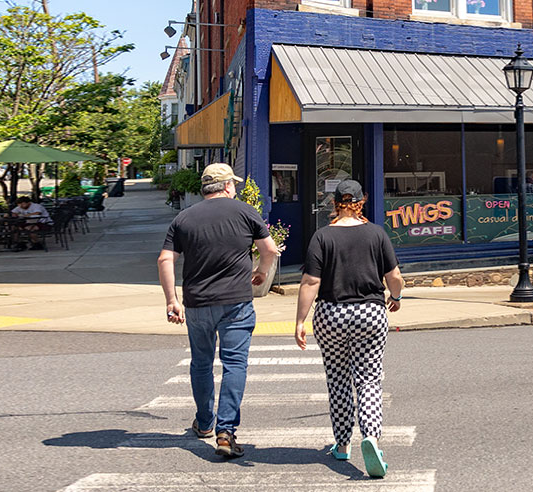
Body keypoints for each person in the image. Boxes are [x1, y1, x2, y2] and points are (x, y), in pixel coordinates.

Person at [157, 163, 278, 459]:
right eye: (233, 184)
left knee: (200, 362)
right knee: (234, 363)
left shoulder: (183, 218)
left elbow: (164, 260)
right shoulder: (244, 212)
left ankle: (204, 422)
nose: (234, 188)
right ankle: (226, 431)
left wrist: (172, 300)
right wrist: (261, 273)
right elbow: (271, 250)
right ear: (226, 186)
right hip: (236, 301)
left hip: (197, 303)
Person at [294, 180, 403, 479]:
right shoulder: (376, 233)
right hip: (369, 313)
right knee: (368, 379)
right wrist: (395, 297)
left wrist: (300, 321)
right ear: (361, 201)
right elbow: (394, 276)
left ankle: (342, 444)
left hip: (331, 314)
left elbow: (310, 283)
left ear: (335, 202)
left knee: (339, 379)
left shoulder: (322, 237)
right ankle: (371, 438)